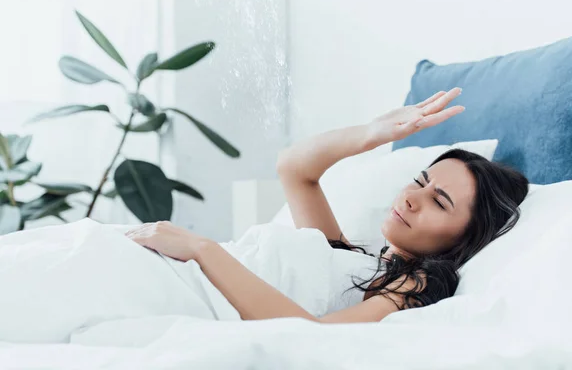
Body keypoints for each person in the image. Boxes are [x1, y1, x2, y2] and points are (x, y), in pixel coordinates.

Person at [127, 87, 529, 323]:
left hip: (176, 287)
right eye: (421, 182)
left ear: (465, 238)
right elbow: (294, 169)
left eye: (439, 202)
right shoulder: (343, 255)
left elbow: (312, 335)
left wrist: (203, 249)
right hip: (154, 265)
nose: (410, 196)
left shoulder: (416, 286)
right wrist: (371, 133)